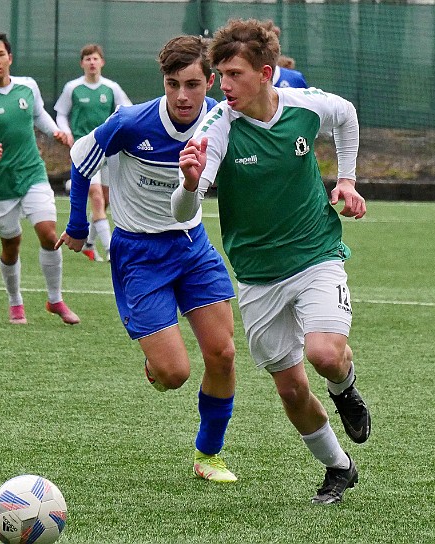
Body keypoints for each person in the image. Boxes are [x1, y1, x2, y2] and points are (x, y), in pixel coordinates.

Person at [173, 18, 371, 505]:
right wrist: (191, 182)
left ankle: (345, 388)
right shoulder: (217, 127)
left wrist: (345, 180)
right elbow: (185, 212)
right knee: (289, 390)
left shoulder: (304, 107)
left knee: (326, 355)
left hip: (316, 256)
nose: (223, 86)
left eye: (234, 74)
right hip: (258, 277)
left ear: (265, 74)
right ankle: (338, 467)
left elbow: (345, 115)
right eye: (219, 74)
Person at [55, 35, 239, 483]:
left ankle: (208, 455)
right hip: (139, 255)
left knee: (224, 354)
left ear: (209, 82)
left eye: (193, 84)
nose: (182, 95)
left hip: (193, 247)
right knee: (174, 374)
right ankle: (158, 364)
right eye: (173, 83)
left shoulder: (220, 121)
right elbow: (81, 161)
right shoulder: (131, 122)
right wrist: (79, 225)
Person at [0, 32, 80, 326]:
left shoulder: (27, 86)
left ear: (10, 57)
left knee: (49, 234)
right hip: (1, 182)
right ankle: (15, 302)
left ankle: (55, 299)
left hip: (32, 171)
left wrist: (55, 132)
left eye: (0, 55)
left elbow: (39, 115)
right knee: (12, 245)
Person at [55, 44, 132, 262]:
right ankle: (110, 251)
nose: (91, 62)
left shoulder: (111, 88)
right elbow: (61, 113)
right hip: (86, 151)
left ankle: (89, 242)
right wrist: (66, 132)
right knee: (97, 197)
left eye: (95, 58)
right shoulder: (73, 88)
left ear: (102, 62)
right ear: (82, 63)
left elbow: (125, 110)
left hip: (109, 150)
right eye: (87, 59)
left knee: (105, 200)